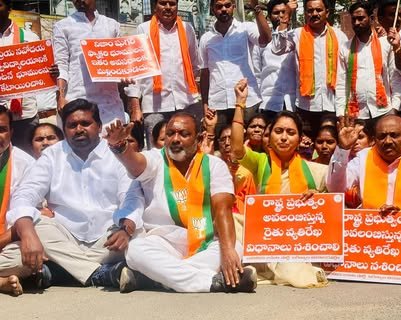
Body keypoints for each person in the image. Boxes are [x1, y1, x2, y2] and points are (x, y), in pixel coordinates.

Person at [1, 99, 144, 296]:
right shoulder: (52, 155)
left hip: (108, 237)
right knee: (36, 224)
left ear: (99, 126)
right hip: (63, 237)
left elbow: (131, 197)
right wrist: (28, 235)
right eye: (72, 125)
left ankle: (56, 272)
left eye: (85, 123)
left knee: (140, 238)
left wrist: (126, 229)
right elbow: (25, 195)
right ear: (64, 128)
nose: (78, 129)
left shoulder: (116, 154)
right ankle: (100, 274)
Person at [104, 111, 256, 293]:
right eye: (170, 134)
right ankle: (212, 282)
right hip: (163, 242)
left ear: (199, 138)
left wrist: (228, 251)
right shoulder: (156, 159)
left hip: (205, 241)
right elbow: (136, 163)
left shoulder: (215, 165)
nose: (175, 139)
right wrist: (121, 147)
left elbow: (222, 209)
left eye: (184, 134)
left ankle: (152, 279)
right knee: (136, 249)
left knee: (235, 247)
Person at [231, 79, 329, 288]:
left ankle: (261, 270)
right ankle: (258, 267)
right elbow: (237, 147)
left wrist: (317, 197)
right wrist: (240, 104)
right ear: (269, 135)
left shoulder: (316, 171)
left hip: (296, 238)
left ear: (300, 138)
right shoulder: (260, 162)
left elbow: (331, 209)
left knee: (295, 273)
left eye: (291, 133)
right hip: (265, 234)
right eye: (278, 131)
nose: (284, 137)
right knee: (233, 220)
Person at [125, 0, 202, 149]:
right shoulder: (143, 29)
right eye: (163, 3)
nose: (168, 8)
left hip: (185, 102)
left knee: (187, 150)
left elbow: (195, 65)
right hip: (154, 105)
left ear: (177, 6)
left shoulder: (187, 28)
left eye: (172, 3)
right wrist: (135, 107)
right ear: (155, 6)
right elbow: (135, 70)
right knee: (157, 152)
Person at [271, 0, 348, 138]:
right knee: (306, 148)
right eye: (310, 11)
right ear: (305, 14)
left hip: (332, 105)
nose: (314, 14)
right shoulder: (297, 34)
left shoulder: (339, 36)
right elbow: (277, 48)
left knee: (328, 148)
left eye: (318, 10)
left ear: (327, 12)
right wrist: (285, 18)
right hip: (305, 106)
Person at [327, 113, 401, 212]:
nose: (388, 141)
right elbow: (335, 189)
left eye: (394, 135)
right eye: (382, 136)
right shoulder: (363, 158)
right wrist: (343, 149)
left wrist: (400, 215)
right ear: (374, 140)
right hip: (370, 226)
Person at [199, 0, 271, 134]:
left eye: (227, 5)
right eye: (219, 6)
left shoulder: (246, 29)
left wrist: (257, 8)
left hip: (247, 102)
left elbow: (266, 39)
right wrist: (205, 104)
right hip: (218, 104)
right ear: (213, 9)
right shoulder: (206, 39)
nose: (224, 9)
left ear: (233, 7)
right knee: (220, 147)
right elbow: (205, 73)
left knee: (249, 146)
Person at [53, 0, 125, 125]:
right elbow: (61, 64)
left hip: (110, 103)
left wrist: (125, 75)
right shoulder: (62, 26)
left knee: (114, 143)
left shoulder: (112, 25)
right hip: (77, 101)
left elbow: (121, 60)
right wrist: (61, 97)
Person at [0, 0, 57, 152]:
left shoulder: (30, 38)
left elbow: (42, 70)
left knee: (27, 161)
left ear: (9, 8)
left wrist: (52, 72)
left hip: (25, 115)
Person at [335, 1, 401, 126]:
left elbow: (395, 78)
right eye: (353, 19)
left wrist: (395, 108)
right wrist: (340, 113)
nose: (356, 23)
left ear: (371, 19)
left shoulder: (385, 44)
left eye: (361, 18)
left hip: (384, 111)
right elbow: (341, 84)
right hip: (357, 114)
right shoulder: (345, 48)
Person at [0, 108, 35, 296]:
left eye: (1, 129)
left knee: (26, 258)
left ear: (11, 132)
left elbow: (31, 215)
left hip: (8, 242)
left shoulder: (26, 164)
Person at [256, 0, 298, 120]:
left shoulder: (296, 36)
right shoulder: (262, 41)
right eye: (276, 13)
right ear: (269, 17)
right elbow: (257, 71)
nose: (280, 15)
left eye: (284, 12)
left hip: (292, 102)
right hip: (269, 102)